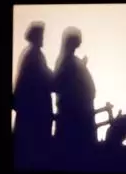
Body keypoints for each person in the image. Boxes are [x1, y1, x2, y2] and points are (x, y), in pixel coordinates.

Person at [52, 27, 97, 164]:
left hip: (83, 112)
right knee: (74, 152)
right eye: (77, 40)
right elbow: (59, 83)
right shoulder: (66, 61)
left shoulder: (73, 60)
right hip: (75, 113)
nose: (80, 43)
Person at [12, 22, 53, 166]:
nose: (43, 38)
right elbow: (49, 80)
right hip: (35, 116)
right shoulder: (34, 55)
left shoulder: (30, 54)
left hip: (30, 114)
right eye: (41, 35)